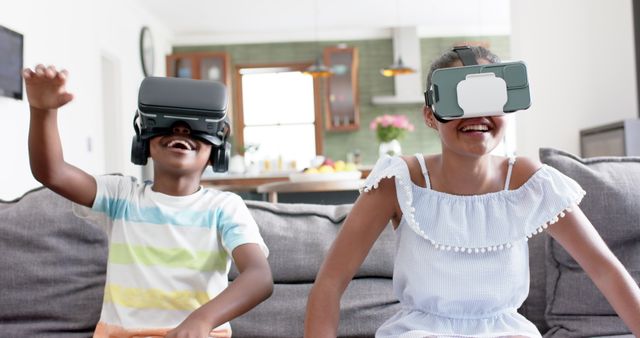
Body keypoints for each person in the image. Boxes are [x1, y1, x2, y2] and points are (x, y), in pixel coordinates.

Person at [304, 46, 640, 337]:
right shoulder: (400, 180)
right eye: (459, 101)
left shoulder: (528, 180)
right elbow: (330, 282)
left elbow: (605, 271)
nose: (476, 115)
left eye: (487, 100)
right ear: (430, 116)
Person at [23, 64, 273, 338]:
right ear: (143, 143)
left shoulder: (225, 208)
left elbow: (259, 277)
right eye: (169, 124)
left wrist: (202, 320)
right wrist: (43, 111)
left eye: (194, 127)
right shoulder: (121, 196)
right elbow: (52, 172)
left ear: (217, 152)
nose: (181, 129)